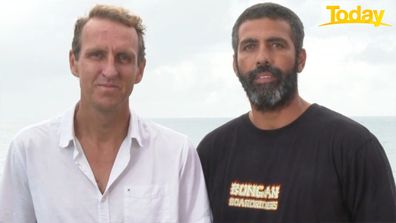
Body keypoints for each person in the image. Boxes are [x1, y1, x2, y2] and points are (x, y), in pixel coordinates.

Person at [0, 5, 211, 223]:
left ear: (140, 70)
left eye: (123, 58)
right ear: (74, 63)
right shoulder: (29, 150)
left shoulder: (177, 154)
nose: (110, 70)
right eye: (97, 55)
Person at [197, 2, 396, 222]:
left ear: (300, 59)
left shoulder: (352, 147)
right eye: (249, 46)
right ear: (235, 64)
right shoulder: (213, 151)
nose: (262, 57)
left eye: (276, 44)